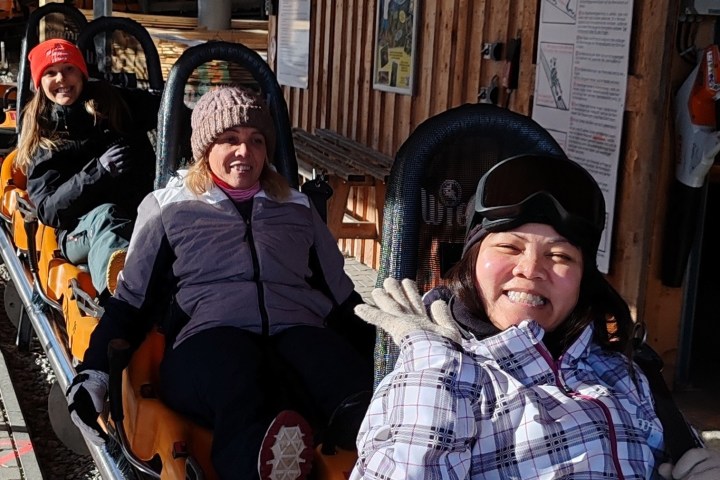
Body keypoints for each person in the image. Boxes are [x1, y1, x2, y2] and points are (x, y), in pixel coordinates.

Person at [65, 86, 374, 480]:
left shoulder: (295, 208)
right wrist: (93, 373)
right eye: (230, 139)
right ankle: (261, 464)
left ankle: (372, 441)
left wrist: (389, 353)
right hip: (208, 340)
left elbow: (343, 298)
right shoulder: (170, 208)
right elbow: (131, 300)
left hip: (296, 330)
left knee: (345, 380)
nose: (244, 152)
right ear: (204, 148)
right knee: (238, 379)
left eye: (255, 140)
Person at [351, 154, 720, 479]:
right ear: (470, 262)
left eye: (560, 256)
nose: (531, 269)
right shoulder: (451, 378)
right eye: (510, 246)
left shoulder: (623, 370)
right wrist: (432, 368)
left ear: (582, 280)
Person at [14, 38, 157, 299]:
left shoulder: (113, 102)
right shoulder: (44, 135)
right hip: (79, 231)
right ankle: (122, 301)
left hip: (136, 211)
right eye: (50, 73)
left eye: (69, 68)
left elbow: (163, 108)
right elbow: (48, 209)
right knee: (106, 218)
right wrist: (97, 172)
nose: (62, 79)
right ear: (40, 82)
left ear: (81, 72)